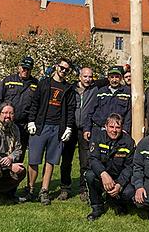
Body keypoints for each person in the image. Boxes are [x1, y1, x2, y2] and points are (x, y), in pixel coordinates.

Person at [26, 57, 76, 205]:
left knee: (50, 161)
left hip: (57, 128)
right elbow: (35, 103)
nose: (63, 71)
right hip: (41, 125)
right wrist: (31, 120)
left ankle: (44, 191)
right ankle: (30, 189)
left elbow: (71, 110)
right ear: (56, 66)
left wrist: (68, 127)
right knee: (34, 159)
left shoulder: (69, 88)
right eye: (62, 67)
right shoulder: (44, 83)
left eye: (67, 69)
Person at [85, 113, 135, 220]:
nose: (114, 130)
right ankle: (97, 207)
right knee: (90, 175)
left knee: (129, 192)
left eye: (117, 127)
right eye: (111, 127)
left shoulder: (129, 142)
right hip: (103, 175)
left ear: (122, 128)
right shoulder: (97, 137)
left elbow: (130, 167)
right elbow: (93, 159)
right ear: (106, 126)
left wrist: (120, 184)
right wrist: (103, 174)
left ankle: (119, 204)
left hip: (119, 177)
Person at [58, 66, 96, 201]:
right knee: (66, 160)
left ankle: (83, 188)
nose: (87, 79)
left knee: (85, 160)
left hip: (85, 129)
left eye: (90, 76)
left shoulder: (95, 89)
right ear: (79, 77)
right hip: (71, 127)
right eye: (85, 76)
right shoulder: (71, 89)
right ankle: (65, 187)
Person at [0, 56, 38, 160]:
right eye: (23, 68)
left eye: (28, 69)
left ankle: (15, 175)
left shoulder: (35, 84)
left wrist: (32, 121)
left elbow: (36, 104)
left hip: (23, 125)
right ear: (19, 67)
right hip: (6, 123)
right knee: (3, 150)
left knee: (18, 154)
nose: (25, 71)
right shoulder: (8, 80)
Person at [84, 66, 131, 138]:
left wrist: (125, 129)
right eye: (112, 77)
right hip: (100, 130)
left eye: (117, 77)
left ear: (121, 78)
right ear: (108, 78)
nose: (114, 80)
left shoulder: (127, 92)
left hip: (117, 131)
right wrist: (87, 129)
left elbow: (129, 113)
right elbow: (90, 111)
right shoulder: (101, 92)